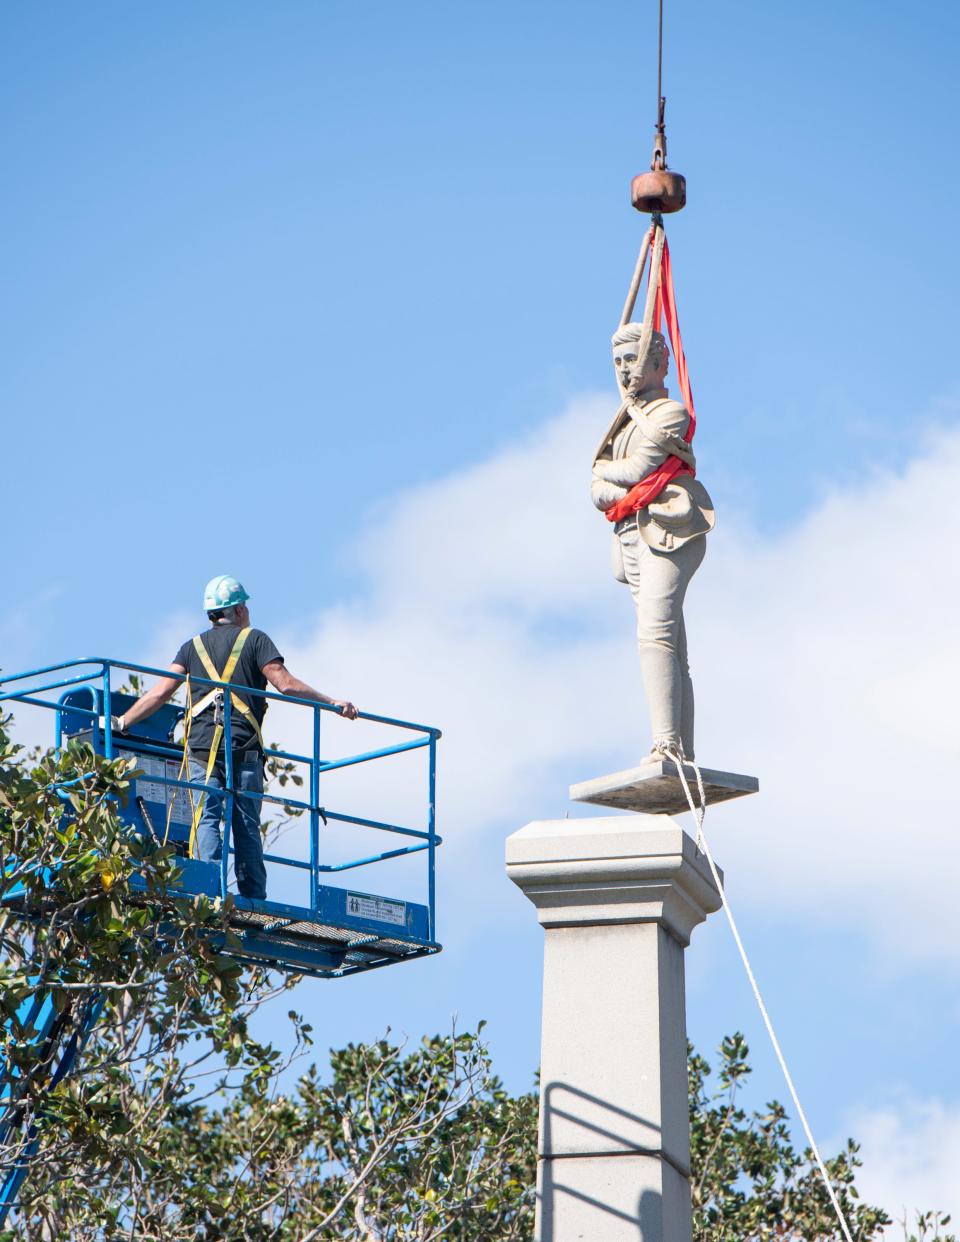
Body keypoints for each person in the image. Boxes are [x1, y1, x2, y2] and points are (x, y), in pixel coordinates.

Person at [112, 575, 358, 898]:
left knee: (206, 818)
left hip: (201, 749)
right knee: (245, 826)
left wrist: (122, 721)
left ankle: (206, 894)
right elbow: (285, 683)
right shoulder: (255, 640)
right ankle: (254, 900)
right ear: (239, 610)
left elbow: (160, 692)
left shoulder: (191, 648)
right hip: (243, 749)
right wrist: (331, 702)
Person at [591, 325, 714, 763]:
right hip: (631, 532)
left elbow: (638, 466)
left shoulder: (667, 413)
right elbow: (597, 482)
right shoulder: (624, 419)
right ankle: (680, 748)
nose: (626, 370)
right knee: (671, 647)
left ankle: (667, 743)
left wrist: (615, 480)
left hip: (669, 529)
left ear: (659, 362)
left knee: (655, 632)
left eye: (633, 359)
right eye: (619, 362)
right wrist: (615, 483)